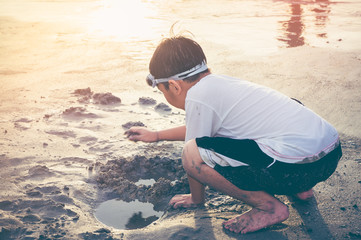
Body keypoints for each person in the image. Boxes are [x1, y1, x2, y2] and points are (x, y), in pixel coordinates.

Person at [125, 36, 342, 234]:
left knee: (191, 153)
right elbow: (200, 130)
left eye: (163, 92)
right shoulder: (224, 85)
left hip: (291, 168)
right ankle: (302, 191)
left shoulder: (198, 96)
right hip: (327, 157)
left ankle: (268, 207)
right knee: (277, 120)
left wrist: (196, 199)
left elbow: (194, 147)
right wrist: (156, 135)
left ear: (174, 85)